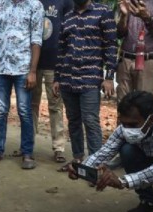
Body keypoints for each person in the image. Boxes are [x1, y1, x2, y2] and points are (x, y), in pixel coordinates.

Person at [53, 0, 117, 168]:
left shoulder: (103, 12)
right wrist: (57, 78)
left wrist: (109, 76)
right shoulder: (67, 17)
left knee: (90, 120)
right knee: (73, 120)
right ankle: (78, 159)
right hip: (67, 78)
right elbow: (61, 49)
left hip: (90, 79)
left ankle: (96, 165)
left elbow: (111, 46)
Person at [0, 0, 44, 169]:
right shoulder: (0, 5)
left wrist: (32, 71)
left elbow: (36, 40)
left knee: (24, 111)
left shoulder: (35, 5)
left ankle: (27, 153)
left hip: (23, 69)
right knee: (1, 111)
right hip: (1, 69)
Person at [30, 0, 73, 164]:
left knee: (55, 105)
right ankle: (28, 145)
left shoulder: (65, 2)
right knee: (31, 105)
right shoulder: (32, 2)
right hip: (33, 63)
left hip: (54, 63)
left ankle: (59, 148)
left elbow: (69, 29)